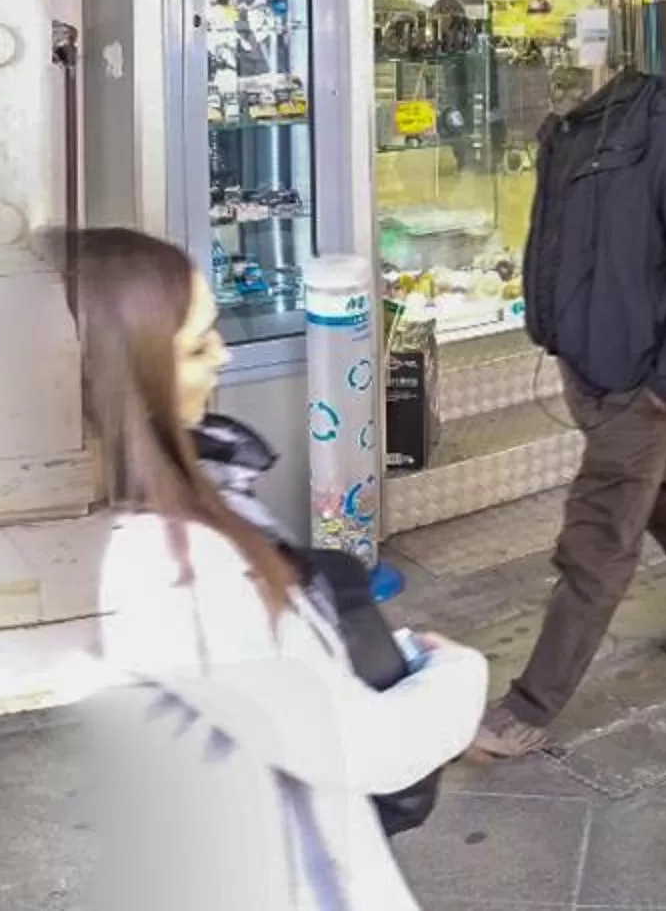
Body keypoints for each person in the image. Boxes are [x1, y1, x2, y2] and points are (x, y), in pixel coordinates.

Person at [79, 230, 484, 911]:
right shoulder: (172, 562)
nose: (225, 355)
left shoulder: (185, 496)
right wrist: (455, 674)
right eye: (198, 347)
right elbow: (354, 746)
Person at [469, 66, 666, 762]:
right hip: (591, 368)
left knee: (599, 534)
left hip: (642, 379)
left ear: (611, 59)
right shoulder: (572, 133)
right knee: (663, 491)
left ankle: (530, 705)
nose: (549, 73)